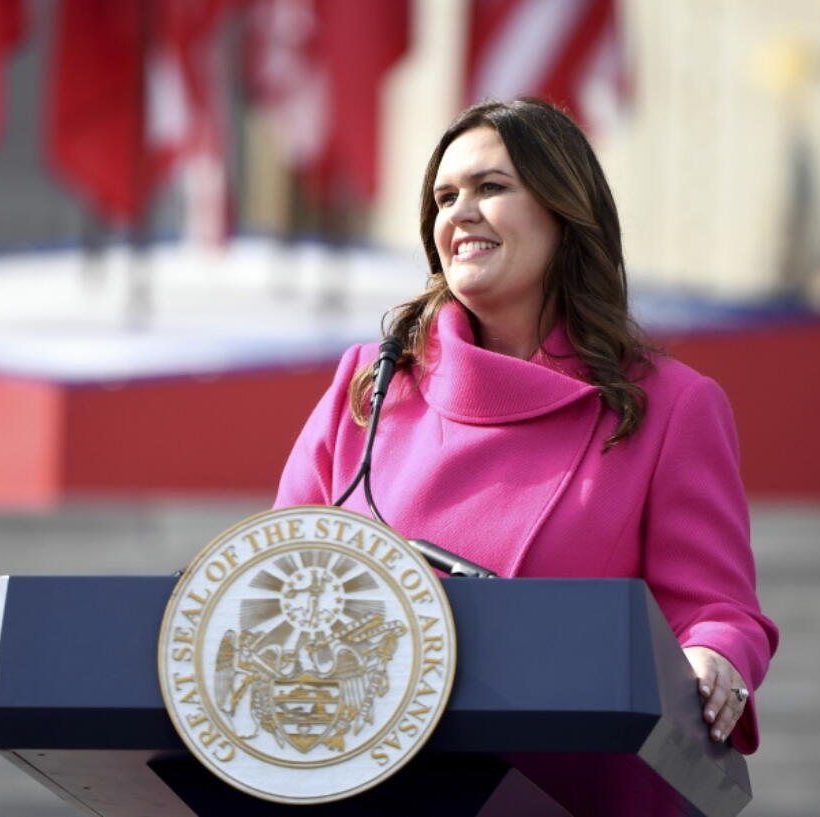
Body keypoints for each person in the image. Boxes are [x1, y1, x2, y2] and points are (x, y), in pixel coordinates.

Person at [274, 98, 778, 753]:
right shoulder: (370, 383)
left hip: (564, 771)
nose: (459, 212)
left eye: (491, 188)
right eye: (444, 196)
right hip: (367, 763)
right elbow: (278, 574)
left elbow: (713, 607)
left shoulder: (671, 405)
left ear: (564, 213)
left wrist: (714, 660)